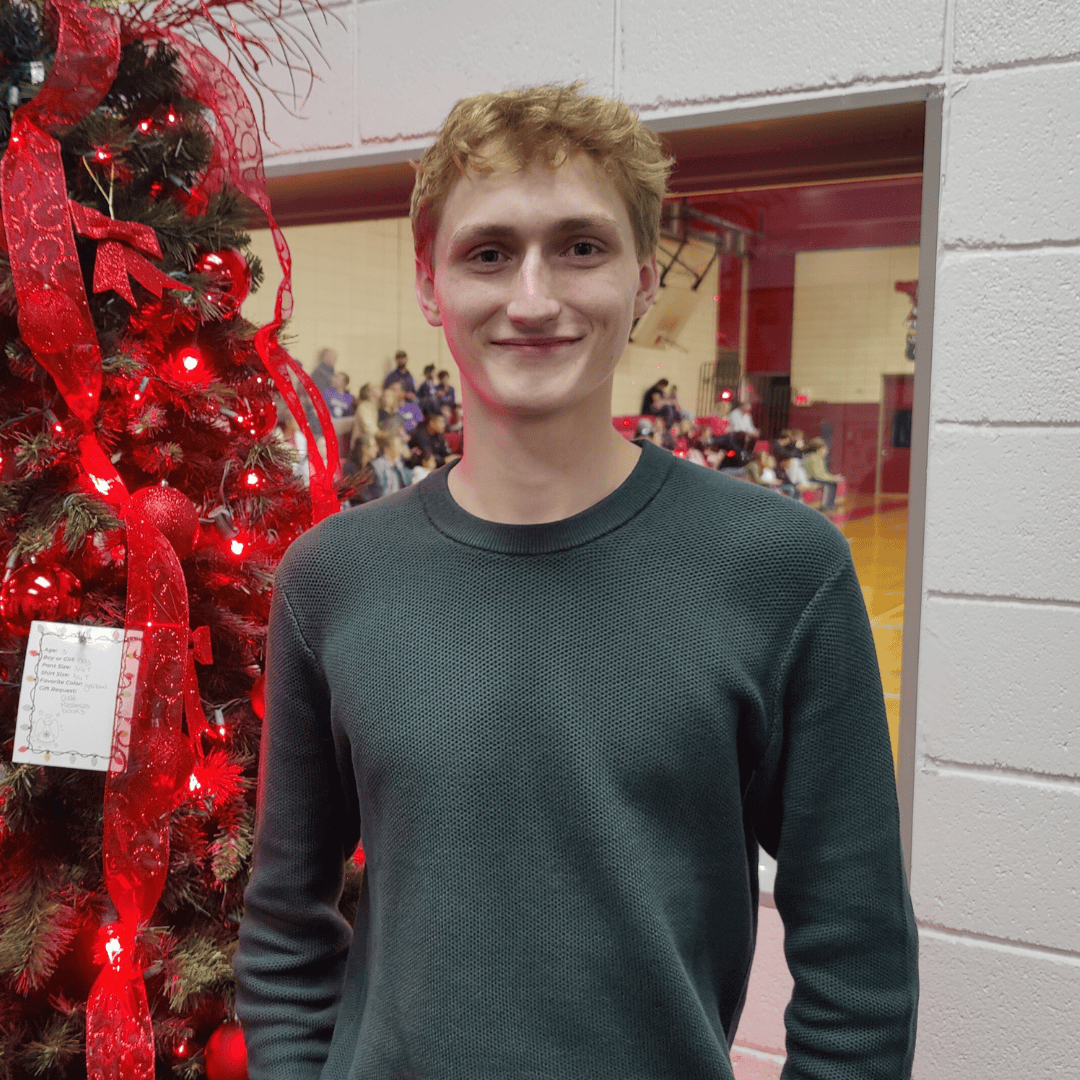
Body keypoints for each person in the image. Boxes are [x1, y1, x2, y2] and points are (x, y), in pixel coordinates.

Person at [236, 84, 918, 1080]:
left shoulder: (780, 568)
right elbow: (286, 927)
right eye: (488, 252)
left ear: (645, 278)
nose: (533, 298)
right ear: (431, 285)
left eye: (581, 247)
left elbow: (856, 961)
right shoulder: (333, 579)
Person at [803, 435, 845, 512]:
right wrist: (833, 478)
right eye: (825, 449)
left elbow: (823, 473)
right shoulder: (814, 458)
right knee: (830, 484)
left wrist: (833, 477)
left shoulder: (817, 458)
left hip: (815, 478)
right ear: (818, 449)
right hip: (811, 479)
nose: (827, 451)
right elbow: (818, 475)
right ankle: (826, 507)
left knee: (832, 483)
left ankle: (829, 505)